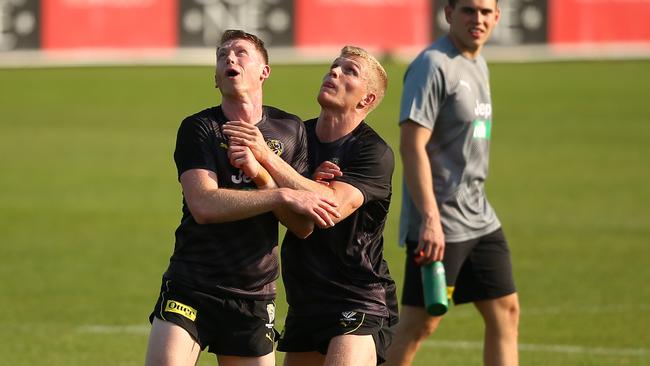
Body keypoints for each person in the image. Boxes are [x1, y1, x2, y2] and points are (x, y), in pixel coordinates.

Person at [144, 30, 339, 366]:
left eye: (240, 52)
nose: (229, 59)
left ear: (264, 71)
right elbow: (203, 205)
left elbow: (302, 226)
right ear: (216, 79)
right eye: (222, 56)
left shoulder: (290, 131)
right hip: (193, 283)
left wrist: (265, 177)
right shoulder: (200, 128)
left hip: (253, 293)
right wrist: (280, 194)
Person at [223, 46, 398, 366]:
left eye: (350, 72)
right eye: (334, 66)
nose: (335, 73)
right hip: (306, 300)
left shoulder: (373, 152)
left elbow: (329, 207)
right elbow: (286, 209)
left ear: (367, 100)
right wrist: (284, 177)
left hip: (358, 298)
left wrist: (267, 158)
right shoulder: (295, 136)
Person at [385, 1, 520, 365]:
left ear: (497, 17)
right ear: (448, 13)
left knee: (505, 311)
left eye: (485, 12)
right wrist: (430, 220)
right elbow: (412, 145)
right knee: (419, 324)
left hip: (479, 213)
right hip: (441, 220)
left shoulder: (477, 61)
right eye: (468, 10)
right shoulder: (432, 65)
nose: (477, 19)